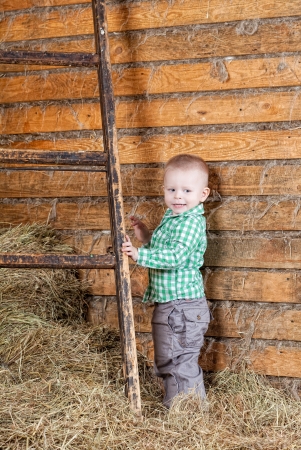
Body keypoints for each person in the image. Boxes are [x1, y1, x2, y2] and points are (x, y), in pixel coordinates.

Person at [122, 153, 211, 408]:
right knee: (166, 360)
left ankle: (190, 413)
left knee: (181, 361)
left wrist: (139, 254)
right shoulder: (172, 217)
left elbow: (175, 256)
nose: (178, 196)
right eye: (172, 189)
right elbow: (165, 247)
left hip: (183, 306)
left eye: (186, 190)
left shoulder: (191, 223)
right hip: (169, 304)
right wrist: (145, 236)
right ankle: (175, 406)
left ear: (202, 194)